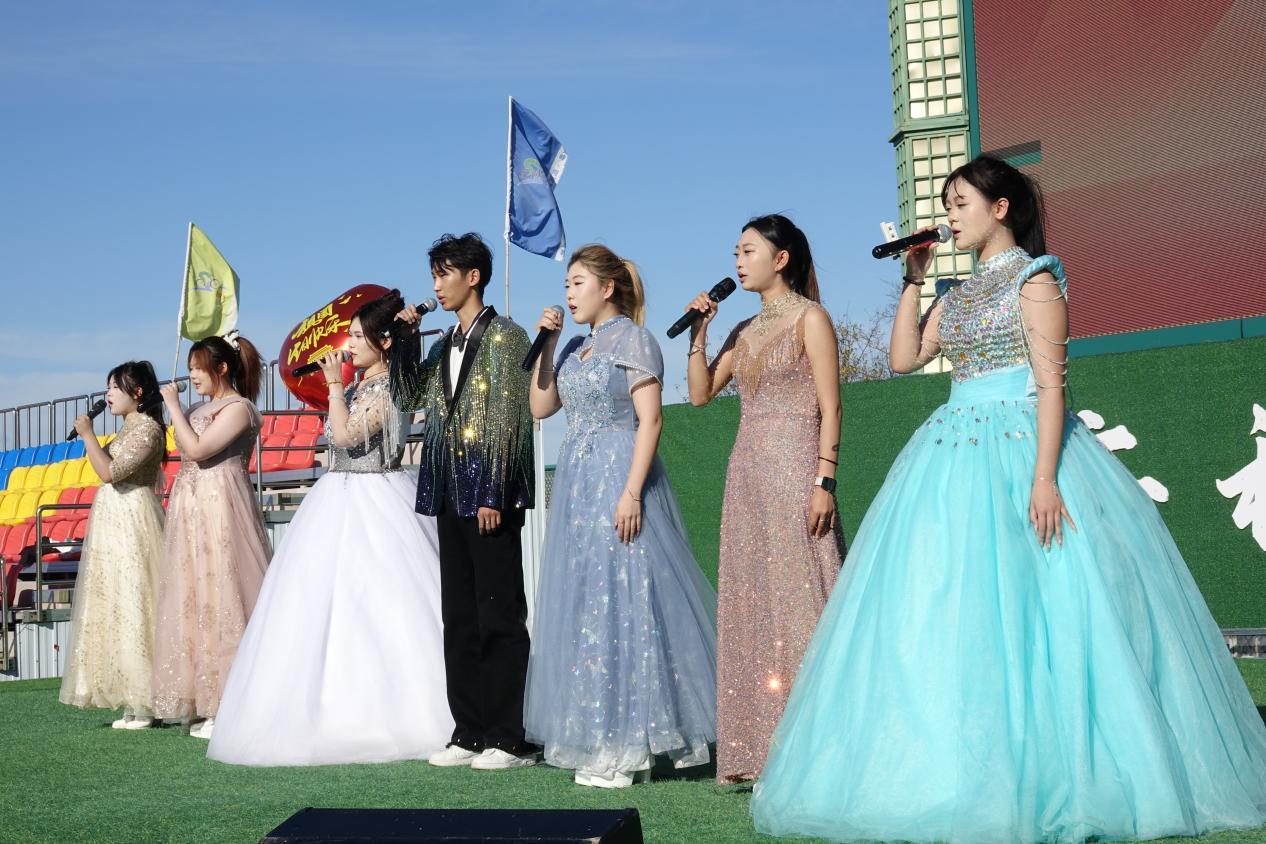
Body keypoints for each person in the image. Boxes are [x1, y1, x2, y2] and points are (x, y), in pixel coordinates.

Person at [750, 156, 1266, 842]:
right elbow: (904, 359)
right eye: (947, 205)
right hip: (952, 452)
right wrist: (913, 281)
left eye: (959, 203)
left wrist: (1044, 478)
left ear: (1000, 208)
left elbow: (1051, 385)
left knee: (1047, 608)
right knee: (952, 607)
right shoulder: (957, 291)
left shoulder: (1036, 279)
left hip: (1023, 446)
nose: (949, 216)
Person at [208, 291, 453, 765]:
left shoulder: (390, 388)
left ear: (384, 342)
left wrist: (336, 387)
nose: (349, 344)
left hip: (377, 498)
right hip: (338, 496)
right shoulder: (362, 387)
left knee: (385, 609)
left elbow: (345, 435)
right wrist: (341, 388)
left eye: (358, 336)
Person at [523, 244, 718, 788]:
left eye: (578, 282)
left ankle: (630, 744)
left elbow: (650, 420)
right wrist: (548, 346)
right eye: (566, 284)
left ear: (607, 287)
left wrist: (631, 493)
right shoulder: (574, 348)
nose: (569, 294)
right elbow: (540, 407)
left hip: (619, 477)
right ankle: (599, 733)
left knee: (627, 600)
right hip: (578, 488)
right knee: (590, 604)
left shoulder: (634, 339)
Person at [683, 214, 844, 783]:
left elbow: (831, 404)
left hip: (796, 471)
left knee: (803, 603)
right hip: (746, 479)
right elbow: (700, 394)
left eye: (748, 251)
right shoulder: (742, 329)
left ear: (781, 258)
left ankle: (820, 747)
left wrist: (824, 480)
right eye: (735, 252)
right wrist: (700, 335)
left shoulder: (811, 318)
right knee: (752, 605)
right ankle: (757, 748)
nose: (738, 261)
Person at [390, 233, 537, 770]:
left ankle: (507, 736)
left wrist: (494, 490)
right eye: (433, 275)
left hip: (490, 494)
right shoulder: (440, 345)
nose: (436, 285)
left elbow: (510, 417)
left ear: (473, 276)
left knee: (499, 615)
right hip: (449, 490)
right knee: (459, 616)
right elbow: (406, 396)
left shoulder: (507, 336)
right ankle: (469, 730)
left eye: (444, 273)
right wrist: (404, 342)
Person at [152, 332, 272, 739]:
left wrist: (173, 407)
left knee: (225, 596)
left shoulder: (239, 408)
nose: (193, 377)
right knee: (194, 597)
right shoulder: (200, 407)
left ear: (221, 368)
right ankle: (203, 699)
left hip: (222, 507)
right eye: (190, 369)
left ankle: (229, 702)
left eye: (198, 369)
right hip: (191, 506)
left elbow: (199, 450)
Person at [59, 361, 167, 730]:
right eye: (108, 388)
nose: (108, 395)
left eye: (115, 388)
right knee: (115, 603)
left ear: (137, 392)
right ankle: (132, 701)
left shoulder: (148, 429)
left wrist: (88, 434)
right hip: (111, 518)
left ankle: (146, 702)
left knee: (136, 601)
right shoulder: (127, 429)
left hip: (133, 517)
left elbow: (110, 472)